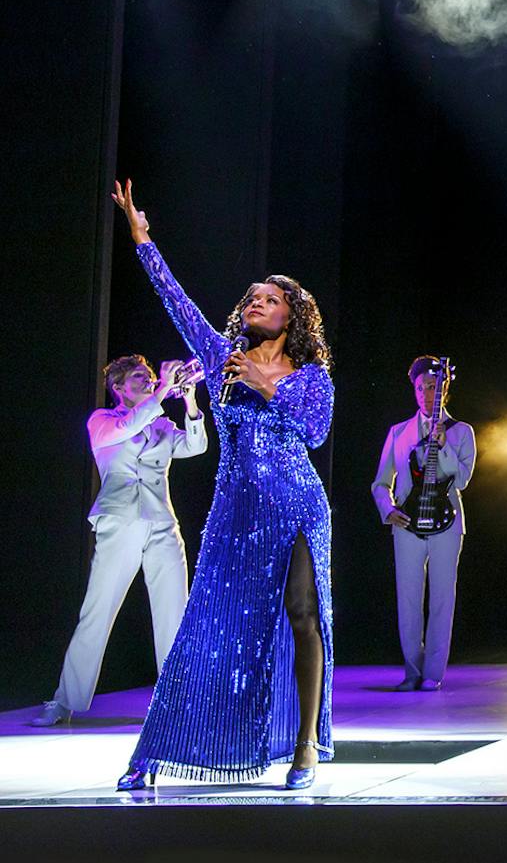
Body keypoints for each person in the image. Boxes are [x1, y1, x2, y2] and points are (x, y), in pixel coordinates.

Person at [108, 179, 335, 791]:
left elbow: (315, 432)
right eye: (252, 297)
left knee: (300, 613)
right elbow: (175, 300)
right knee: (207, 622)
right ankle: (158, 752)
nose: (256, 303)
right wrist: (142, 239)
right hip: (235, 511)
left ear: (292, 316)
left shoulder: (309, 375)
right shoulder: (220, 355)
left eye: (270, 299)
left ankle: (305, 745)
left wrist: (267, 384)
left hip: (295, 504)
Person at [32, 354, 208, 726]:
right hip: (119, 520)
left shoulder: (161, 424)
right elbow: (130, 426)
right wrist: (161, 388)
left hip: (162, 522)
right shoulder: (102, 421)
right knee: (97, 611)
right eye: (139, 378)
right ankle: (64, 701)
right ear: (118, 387)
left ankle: (175, 701)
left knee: (173, 612)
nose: (148, 381)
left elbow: (196, 447)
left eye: (149, 377)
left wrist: (190, 399)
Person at [370, 356, 476, 692]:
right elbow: (380, 482)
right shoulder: (398, 432)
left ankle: (433, 673)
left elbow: (462, 480)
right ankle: (412, 670)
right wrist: (388, 510)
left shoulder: (461, 431)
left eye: (433, 386)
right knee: (409, 598)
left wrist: (443, 446)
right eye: (420, 387)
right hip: (407, 523)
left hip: (447, 522)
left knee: (443, 597)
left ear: (445, 388)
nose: (426, 393)